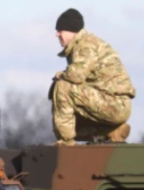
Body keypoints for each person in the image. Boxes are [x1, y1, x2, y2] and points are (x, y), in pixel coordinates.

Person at [50, 8, 136, 145]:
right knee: (73, 128)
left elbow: (76, 76)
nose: (56, 34)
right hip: (113, 104)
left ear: (72, 31)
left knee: (62, 87)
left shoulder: (86, 45)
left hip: (114, 103)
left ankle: (66, 143)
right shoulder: (82, 45)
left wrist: (60, 75)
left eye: (60, 30)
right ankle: (112, 130)